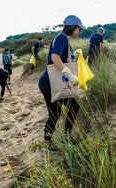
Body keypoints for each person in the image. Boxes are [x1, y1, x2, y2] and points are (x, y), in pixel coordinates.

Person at [38, 15, 86, 152]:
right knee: (55, 114)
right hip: (49, 82)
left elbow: (63, 57)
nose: (80, 31)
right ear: (72, 27)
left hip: (56, 81)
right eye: (79, 29)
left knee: (74, 106)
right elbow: (54, 58)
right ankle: (47, 145)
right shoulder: (61, 38)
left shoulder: (64, 40)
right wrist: (68, 74)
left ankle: (66, 136)